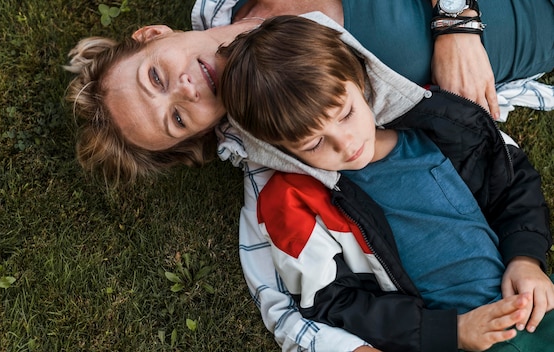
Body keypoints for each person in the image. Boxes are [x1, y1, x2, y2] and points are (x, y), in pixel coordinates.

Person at [218, 15, 554, 351]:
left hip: (531, 304)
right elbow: (337, 302)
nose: (346, 144)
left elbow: (513, 182)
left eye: (346, 114)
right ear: (280, 150)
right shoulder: (295, 204)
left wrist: (525, 257)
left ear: (359, 78)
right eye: (314, 144)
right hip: (457, 338)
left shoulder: (441, 125)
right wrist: (450, 331)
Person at [64, 0, 554, 183]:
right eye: (176, 119)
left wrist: (456, 21)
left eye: (155, 77)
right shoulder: (292, 126)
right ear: (207, 132)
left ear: (153, 35)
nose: (185, 92)